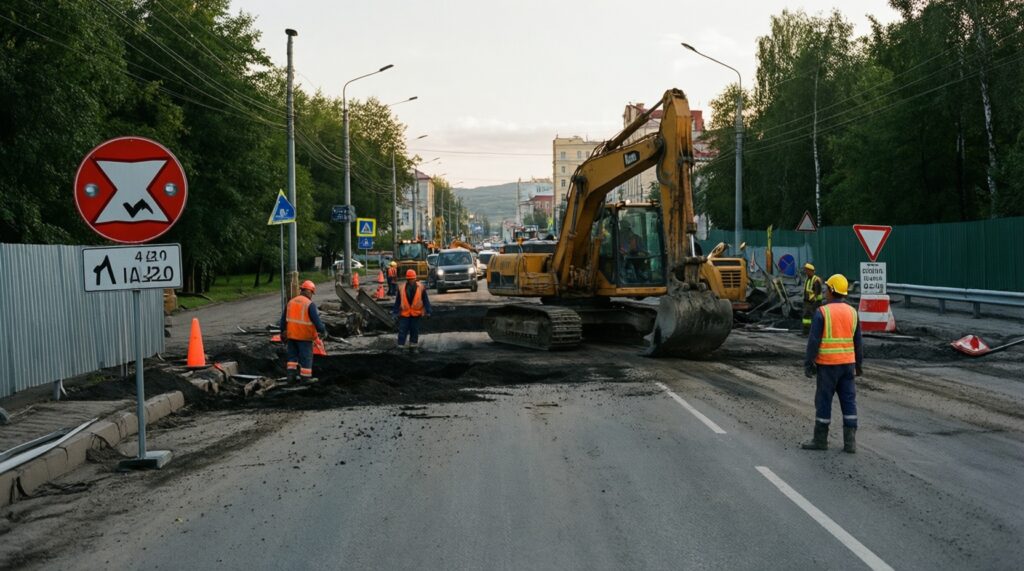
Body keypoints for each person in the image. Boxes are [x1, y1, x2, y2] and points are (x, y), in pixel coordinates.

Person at [802, 274, 863, 453]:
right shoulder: (853, 312)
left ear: (831, 291)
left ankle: (820, 440)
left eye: (827, 288)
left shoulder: (823, 312)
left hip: (828, 366)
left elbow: (813, 341)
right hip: (848, 366)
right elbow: (858, 342)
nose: (825, 291)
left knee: (824, 401)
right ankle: (850, 443)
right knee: (849, 401)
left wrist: (808, 363)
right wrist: (859, 365)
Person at [279, 280, 327, 384]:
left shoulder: (291, 302)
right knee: (306, 358)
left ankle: (290, 378)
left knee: (292, 359)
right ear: (309, 291)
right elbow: (317, 323)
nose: (311, 296)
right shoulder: (309, 304)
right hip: (304, 337)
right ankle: (305, 379)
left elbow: (283, 320)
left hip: (291, 337)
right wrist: (323, 330)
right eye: (311, 293)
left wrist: (282, 332)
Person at [392, 269, 432, 352]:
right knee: (402, 330)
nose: (411, 281)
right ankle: (400, 347)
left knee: (414, 331)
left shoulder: (421, 287)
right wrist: (395, 313)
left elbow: (425, 300)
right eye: (410, 279)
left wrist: (428, 311)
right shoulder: (402, 288)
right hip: (405, 314)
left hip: (416, 314)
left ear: (415, 279)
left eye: (412, 279)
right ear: (407, 279)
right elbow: (397, 302)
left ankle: (413, 347)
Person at [801, 263, 824, 335]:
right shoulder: (808, 279)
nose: (806, 272)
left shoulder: (816, 280)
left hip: (814, 302)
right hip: (807, 302)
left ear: (811, 271)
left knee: (814, 316)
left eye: (807, 270)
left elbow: (817, 291)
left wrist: (814, 299)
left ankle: (814, 332)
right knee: (806, 317)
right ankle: (806, 331)